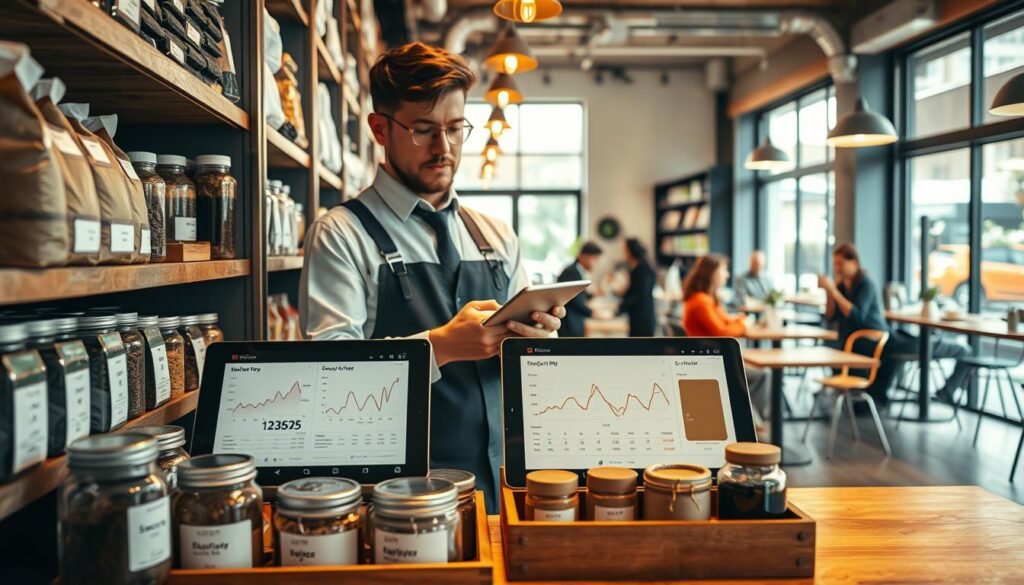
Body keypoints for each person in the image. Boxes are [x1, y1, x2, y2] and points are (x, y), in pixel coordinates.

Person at [299, 42, 565, 510]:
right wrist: (440, 347)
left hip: (505, 487)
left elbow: (529, 372)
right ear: (380, 129)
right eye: (423, 130)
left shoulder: (497, 236)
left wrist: (537, 339)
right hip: (400, 498)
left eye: (456, 128)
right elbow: (329, 378)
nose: (444, 148)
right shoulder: (340, 233)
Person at [820, 243, 965, 407]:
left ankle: (945, 392)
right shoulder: (841, 287)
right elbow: (830, 317)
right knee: (903, 347)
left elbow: (857, 316)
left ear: (853, 262)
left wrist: (833, 292)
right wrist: (829, 292)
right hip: (858, 341)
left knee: (953, 349)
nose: (836, 268)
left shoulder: (865, 283)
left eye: (840, 263)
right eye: (835, 264)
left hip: (875, 339)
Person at [681, 254, 771, 424]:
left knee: (759, 373)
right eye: (724, 270)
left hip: (712, 357)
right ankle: (750, 421)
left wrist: (740, 320)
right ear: (712, 273)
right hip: (711, 361)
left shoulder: (707, 299)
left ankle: (751, 419)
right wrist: (744, 325)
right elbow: (722, 331)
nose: (727, 275)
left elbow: (725, 320)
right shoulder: (701, 302)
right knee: (762, 374)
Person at [557, 241, 603, 337]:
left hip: (575, 321)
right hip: (569, 324)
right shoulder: (571, 272)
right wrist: (593, 313)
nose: (596, 264)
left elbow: (580, 296)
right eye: (595, 259)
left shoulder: (578, 272)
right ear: (584, 256)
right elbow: (573, 300)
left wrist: (593, 294)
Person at [617, 238, 656, 337]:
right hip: (636, 316)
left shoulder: (643, 269)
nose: (623, 252)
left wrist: (619, 309)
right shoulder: (636, 267)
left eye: (624, 249)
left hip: (643, 317)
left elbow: (639, 294)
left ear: (631, 251)